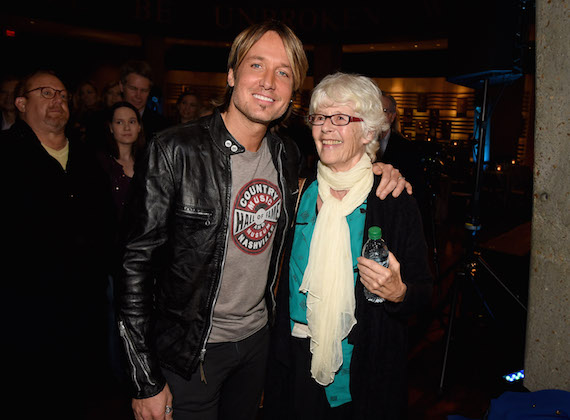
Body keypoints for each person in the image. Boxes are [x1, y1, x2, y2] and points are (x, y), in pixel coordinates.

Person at [116, 21, 410, 420]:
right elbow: (134, 267)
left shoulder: (287, 156)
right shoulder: (174, 151)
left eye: (283, 72)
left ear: (293, 93)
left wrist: (380, 169)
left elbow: (339, 179)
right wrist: (144, 377)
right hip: (190, 354)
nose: (269, 82)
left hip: (258, 347)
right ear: (232, 74)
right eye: (256, 65)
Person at [264, 73, 433, 420]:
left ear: (369, 131)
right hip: (295, 358)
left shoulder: (394, 198)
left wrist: (399, 292)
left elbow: (426, 292)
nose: (326, 127)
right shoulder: (297, 192)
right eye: (319, 117)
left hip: (366, 367)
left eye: (341, 118)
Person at [0, 69, 115, 417]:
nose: (57, 101)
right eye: (46, 93)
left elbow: (107, 229)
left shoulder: (87, 159)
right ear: (22, 103)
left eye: (62, 95)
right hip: (24, 318)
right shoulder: (6, 155)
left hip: (84, 316)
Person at [376, 93, 425, 206]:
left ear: (392, 116)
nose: (376, 115)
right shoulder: (360, 144)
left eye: (382, 110)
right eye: (374, 110)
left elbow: (416, 188)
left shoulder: (407, 148)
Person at [119, 59, 168, 140]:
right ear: (121, 86)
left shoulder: (161, 126)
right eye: (133, 88)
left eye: (144, 90)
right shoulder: (103, 121)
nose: (138, 95)